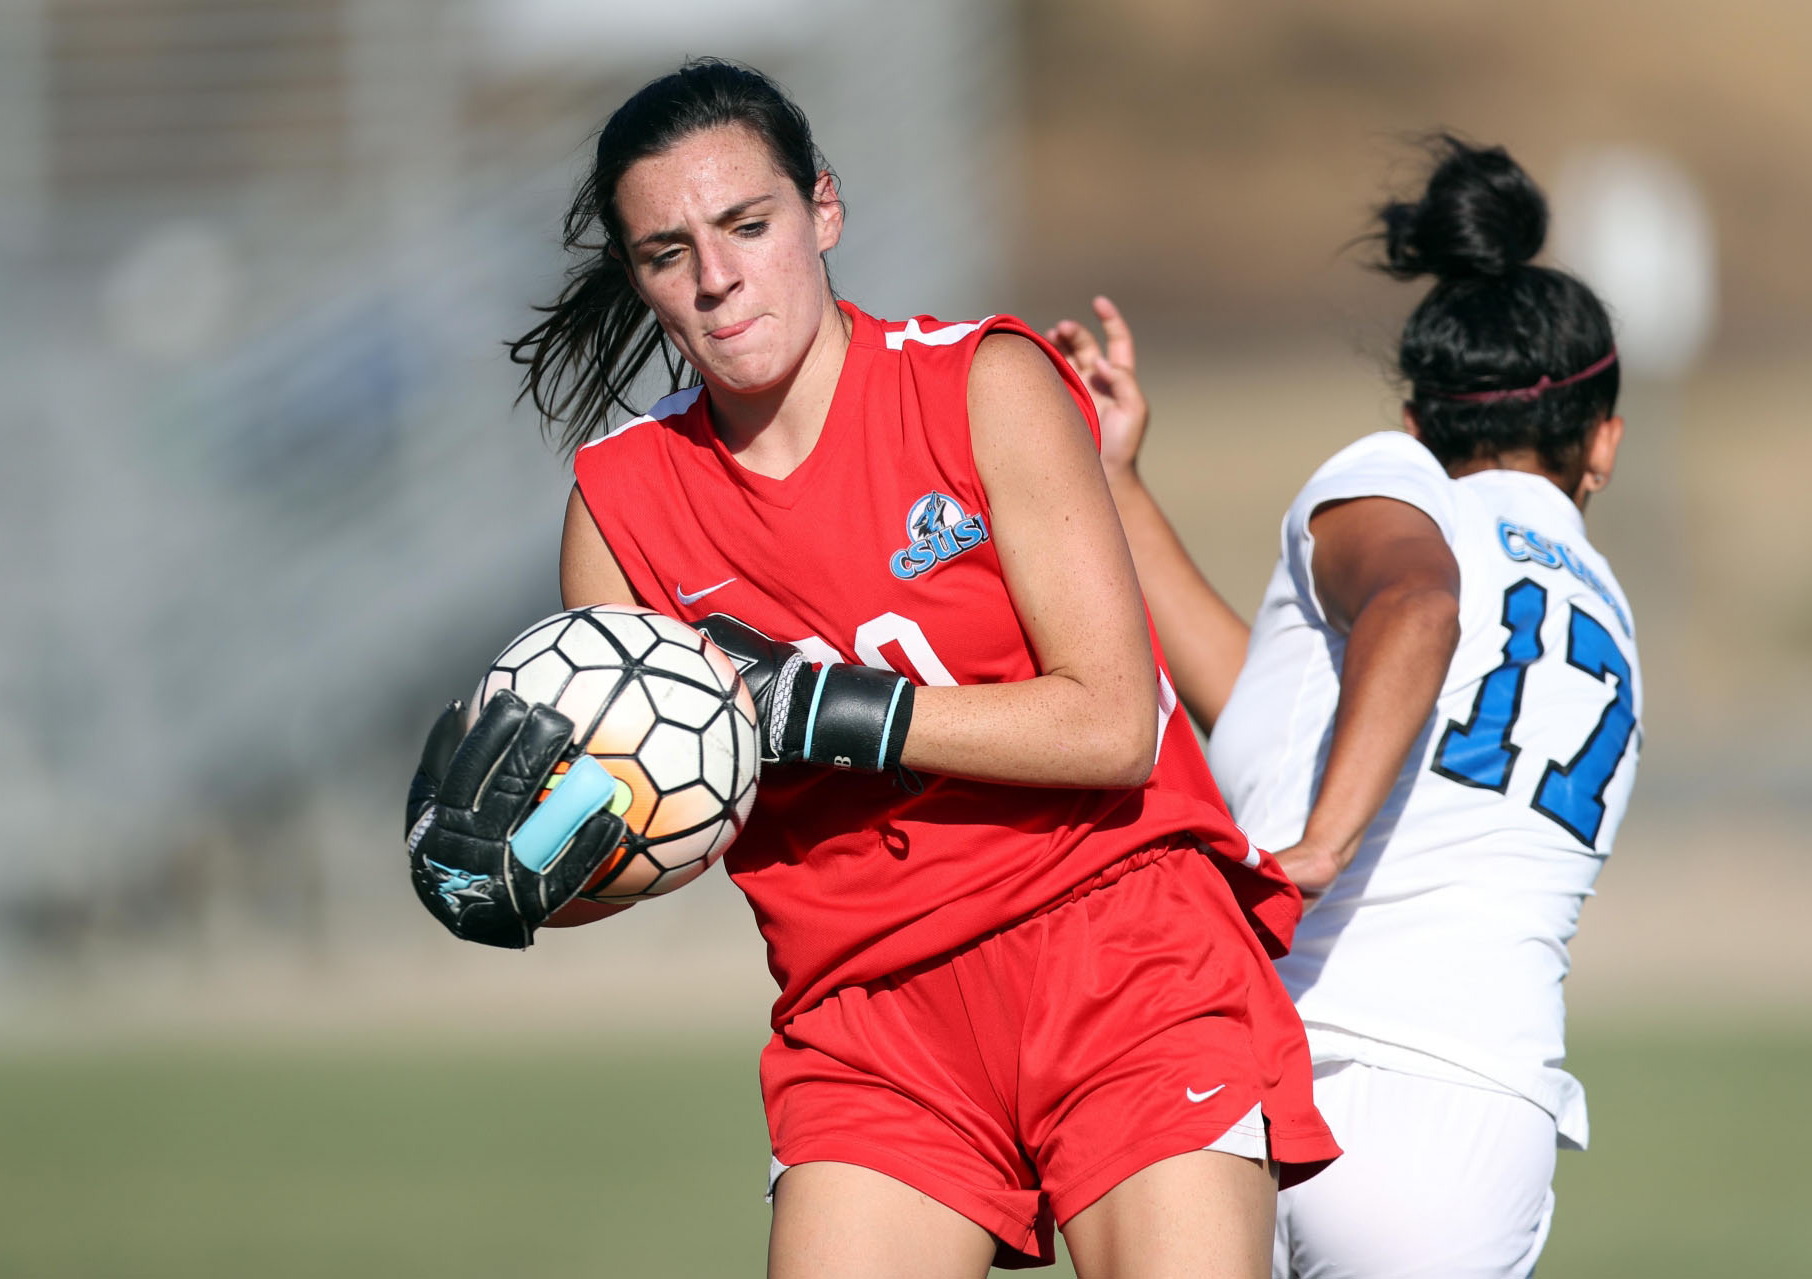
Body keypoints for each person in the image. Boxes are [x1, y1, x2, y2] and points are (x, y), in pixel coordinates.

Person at [406, 59, 1338, 1277]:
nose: (718, 276)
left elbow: (1113, 724)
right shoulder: (621, 500)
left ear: (823, 210)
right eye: (668, 251)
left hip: (1119, 950)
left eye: (749, 224)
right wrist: (520, 874)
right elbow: (650, 820)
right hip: (868, 1020)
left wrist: (817, 706)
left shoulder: (984, 385)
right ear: (640, 279)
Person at [1047, 136, 1640, 1278]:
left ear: (1418, 421)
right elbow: (1275, 710)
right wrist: (1113, 481)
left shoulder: (1395, 490)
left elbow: (1417, 608)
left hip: (1279, 1061)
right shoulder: (1603, 609)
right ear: (1601, 444)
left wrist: (1320, 846)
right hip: (1470, 1114)